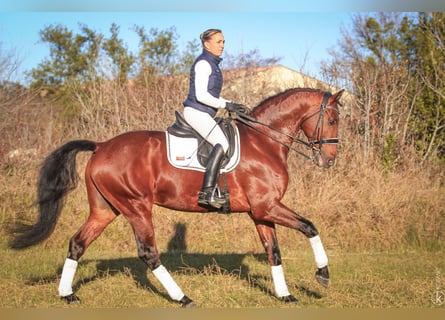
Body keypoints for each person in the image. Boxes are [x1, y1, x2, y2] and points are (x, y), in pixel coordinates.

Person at [183, 28, 247, 209]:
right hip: (195, 111)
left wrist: (233, 105)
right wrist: (226, 105)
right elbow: (202, 95)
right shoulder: (203, 64)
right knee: (223, 143)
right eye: (219, 42)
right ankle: (207, 193)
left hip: (204, 112)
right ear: (206, 44)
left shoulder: (213, 65)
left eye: (223, 42)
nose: (222, 46)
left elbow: (211, 96)